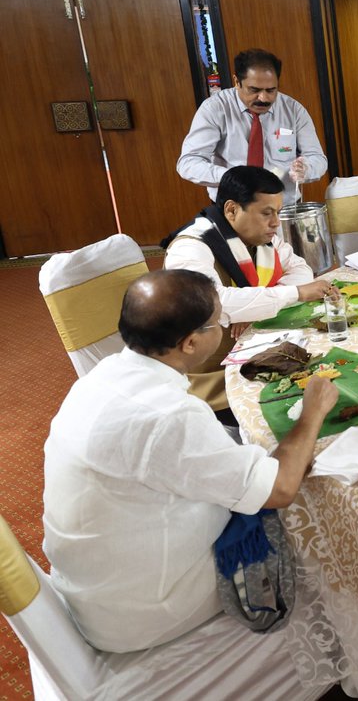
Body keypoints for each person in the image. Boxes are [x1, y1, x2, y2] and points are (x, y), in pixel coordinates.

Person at [42, 269, 339, 653]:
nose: (223, 328)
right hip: (144, 608)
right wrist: (312, 411)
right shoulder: (168, 415)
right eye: (219, 322)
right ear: (191, 343)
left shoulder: (102, 376)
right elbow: (279, 488)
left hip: (95, 584)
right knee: (314, 522)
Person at [163, 166, 335, 415]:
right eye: (266, 213)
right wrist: (293, 294)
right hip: (213, 381)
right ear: (231, 210)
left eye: (277, 212)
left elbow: (300, 268)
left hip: (264, 355)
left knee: (328, 378)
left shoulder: (261, 236)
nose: (276, 223)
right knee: (308, 406)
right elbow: (214, 303)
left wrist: (253, 309)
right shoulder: (190, 247)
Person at [178, 48, 328, 206]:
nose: (263, 98)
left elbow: (318, 158)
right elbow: (188, 162)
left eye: (271, 90)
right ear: (237, 82)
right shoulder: (215, 109)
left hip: (283, 207)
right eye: (254, 90)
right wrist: (231, 177)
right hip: (234, 209)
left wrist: (307, 168)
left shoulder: (293, 110)